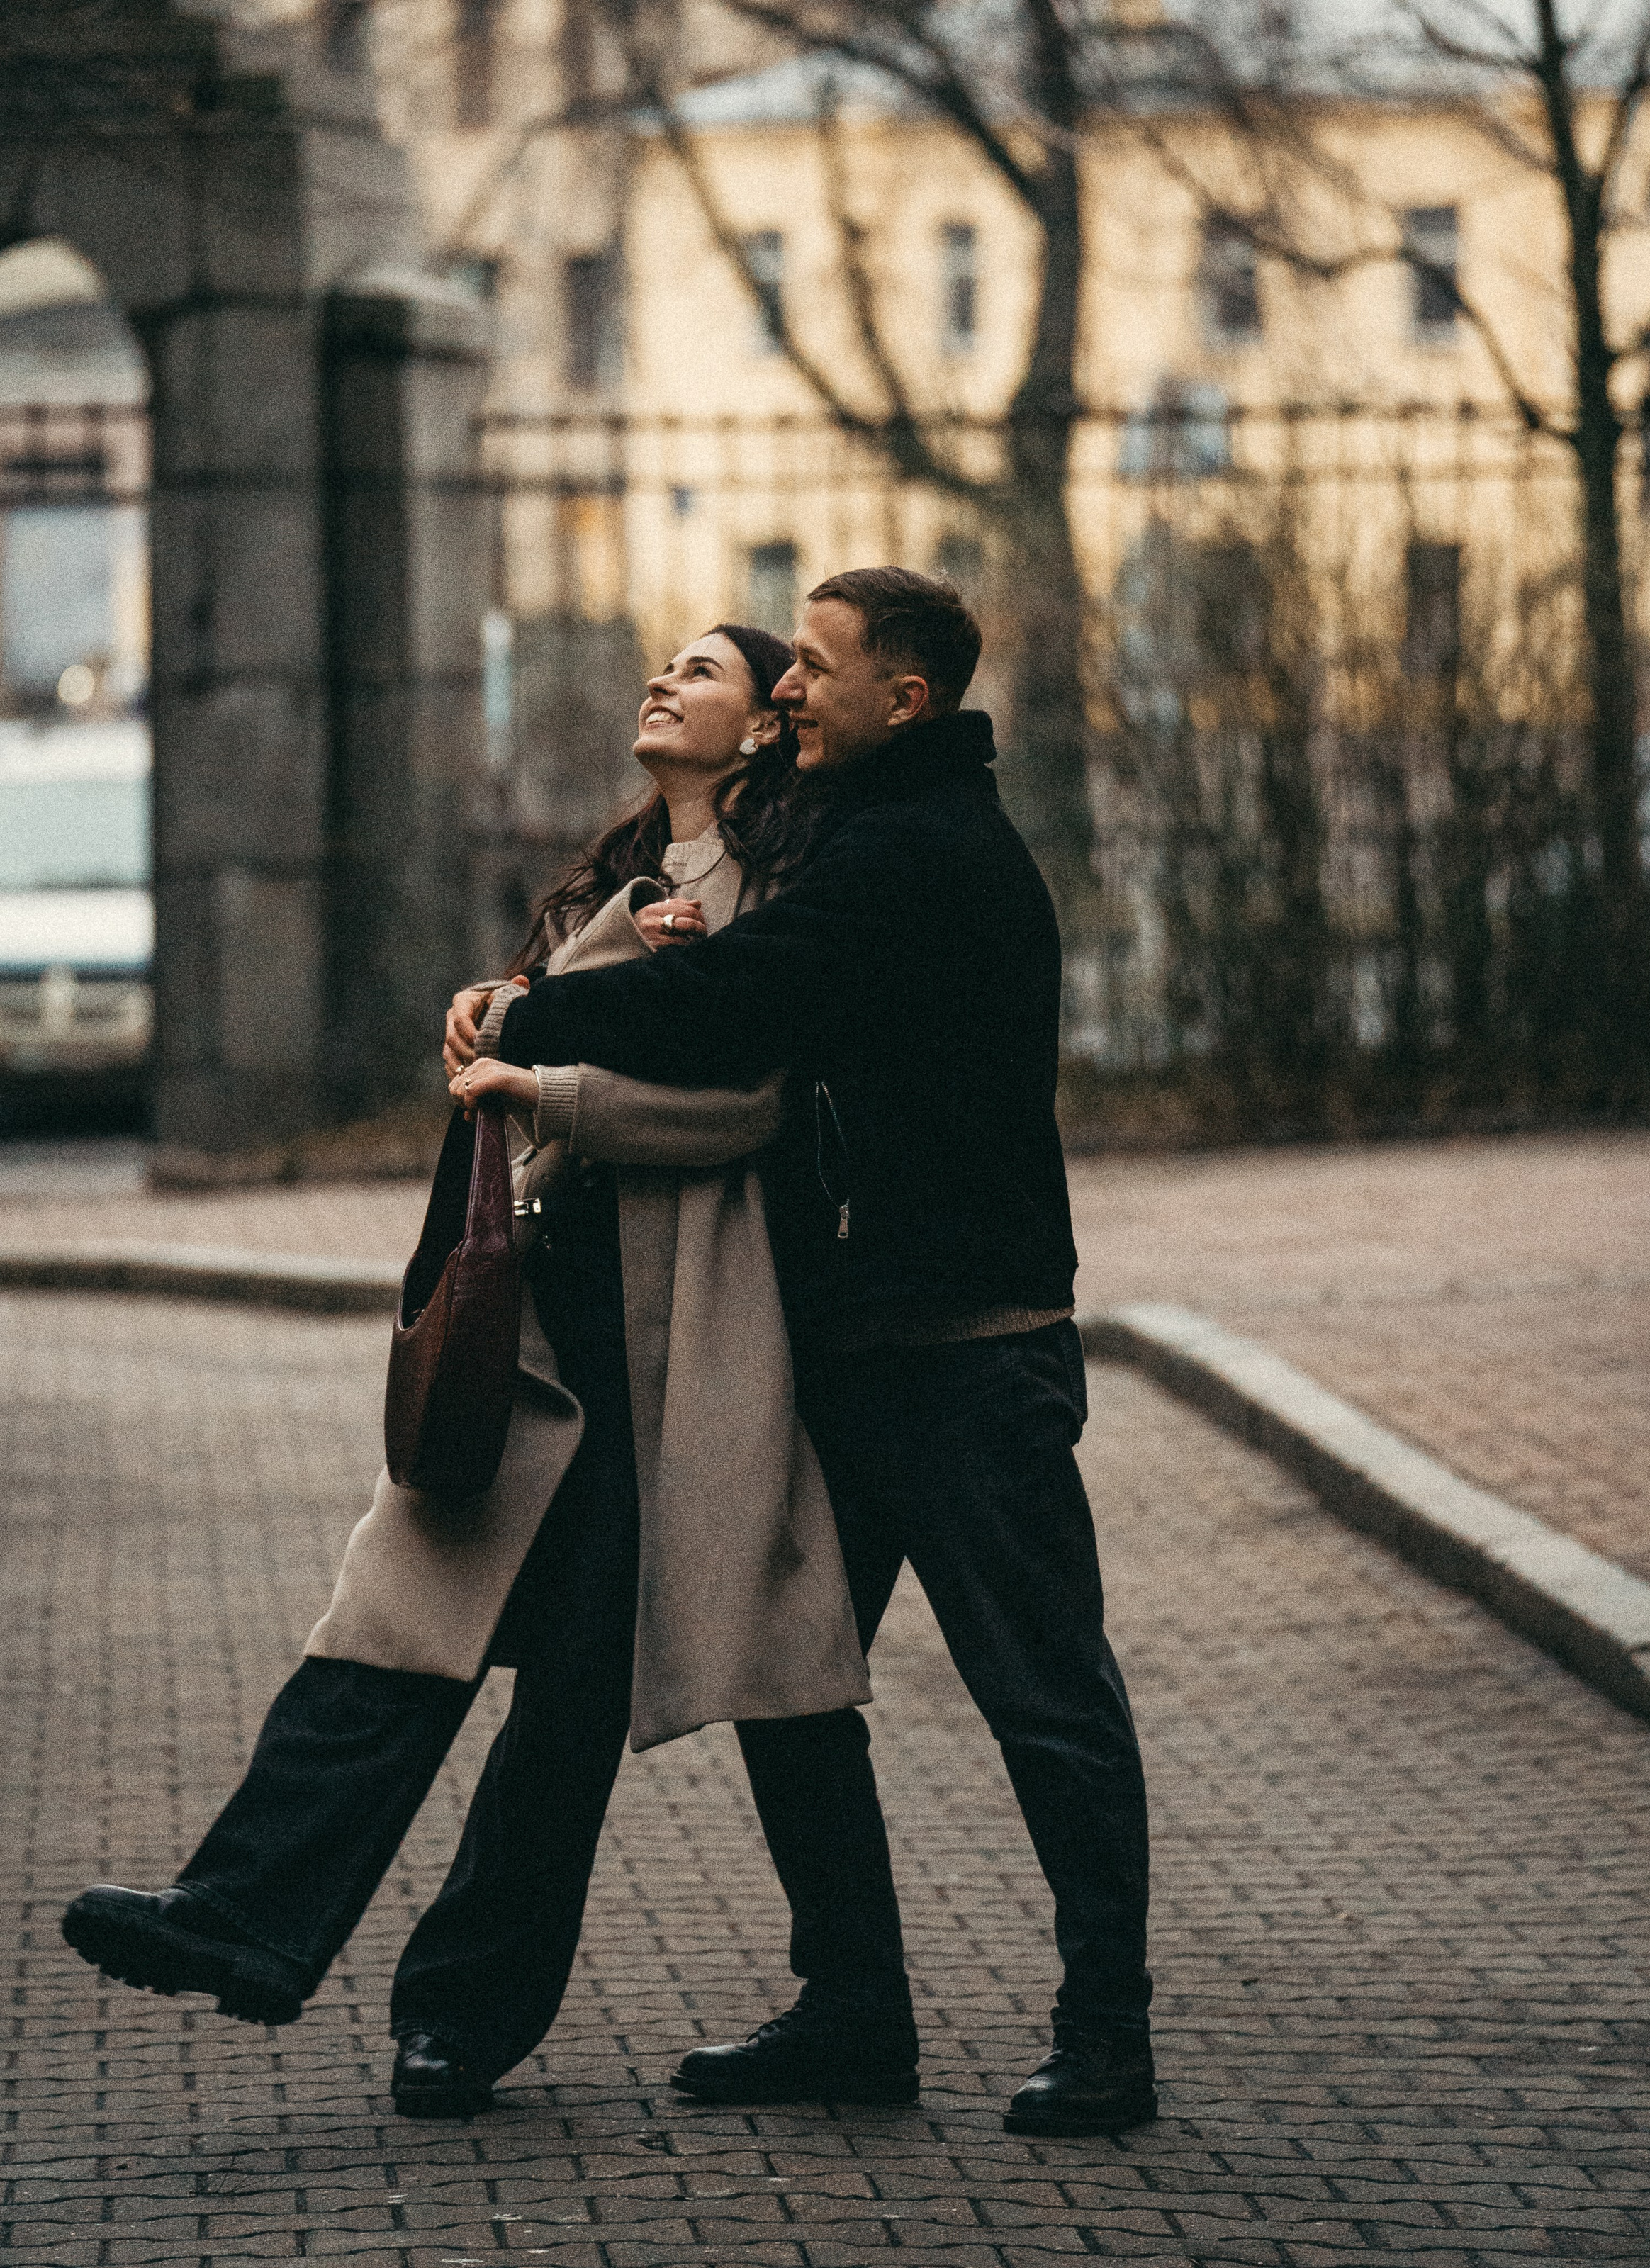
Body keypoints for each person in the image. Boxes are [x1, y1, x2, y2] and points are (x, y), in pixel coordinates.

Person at [60, 623, 875, 2120]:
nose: (661, 683)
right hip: (538, 1334)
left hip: (658, 1344)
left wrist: (538, 1079)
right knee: (385, 1620)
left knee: (561, 1710)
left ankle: (453, 2017)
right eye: (665, 664)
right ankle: (240, 1912)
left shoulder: (761, 895)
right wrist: (491, 1026)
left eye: (700, 672)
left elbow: (742, 1109)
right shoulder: (625, 883)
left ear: (761, 727)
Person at [473, 567, 1157, 2138]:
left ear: (898, 698)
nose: (783, 689)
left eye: (814, 669)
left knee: (1043, 1694)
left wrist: (530, 1016)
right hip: (852, 1351)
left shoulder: (922, 853)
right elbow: (735, 971)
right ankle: (854, 2009)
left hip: (972, 1355)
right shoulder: (853, 834)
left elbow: (739, 1001)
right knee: (791, 1680)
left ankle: (1104, 2031)